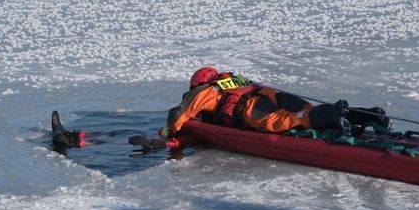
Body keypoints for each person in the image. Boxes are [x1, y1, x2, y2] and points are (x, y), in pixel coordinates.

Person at [161, 67, 388, 139]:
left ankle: (331, 117)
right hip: (271, 94)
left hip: (250, 107)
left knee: (283, 121)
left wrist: (168, 132)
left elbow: (180, 115)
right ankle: (365, 114)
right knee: (306, 109)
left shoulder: (203, 91)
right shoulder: (232, 79)